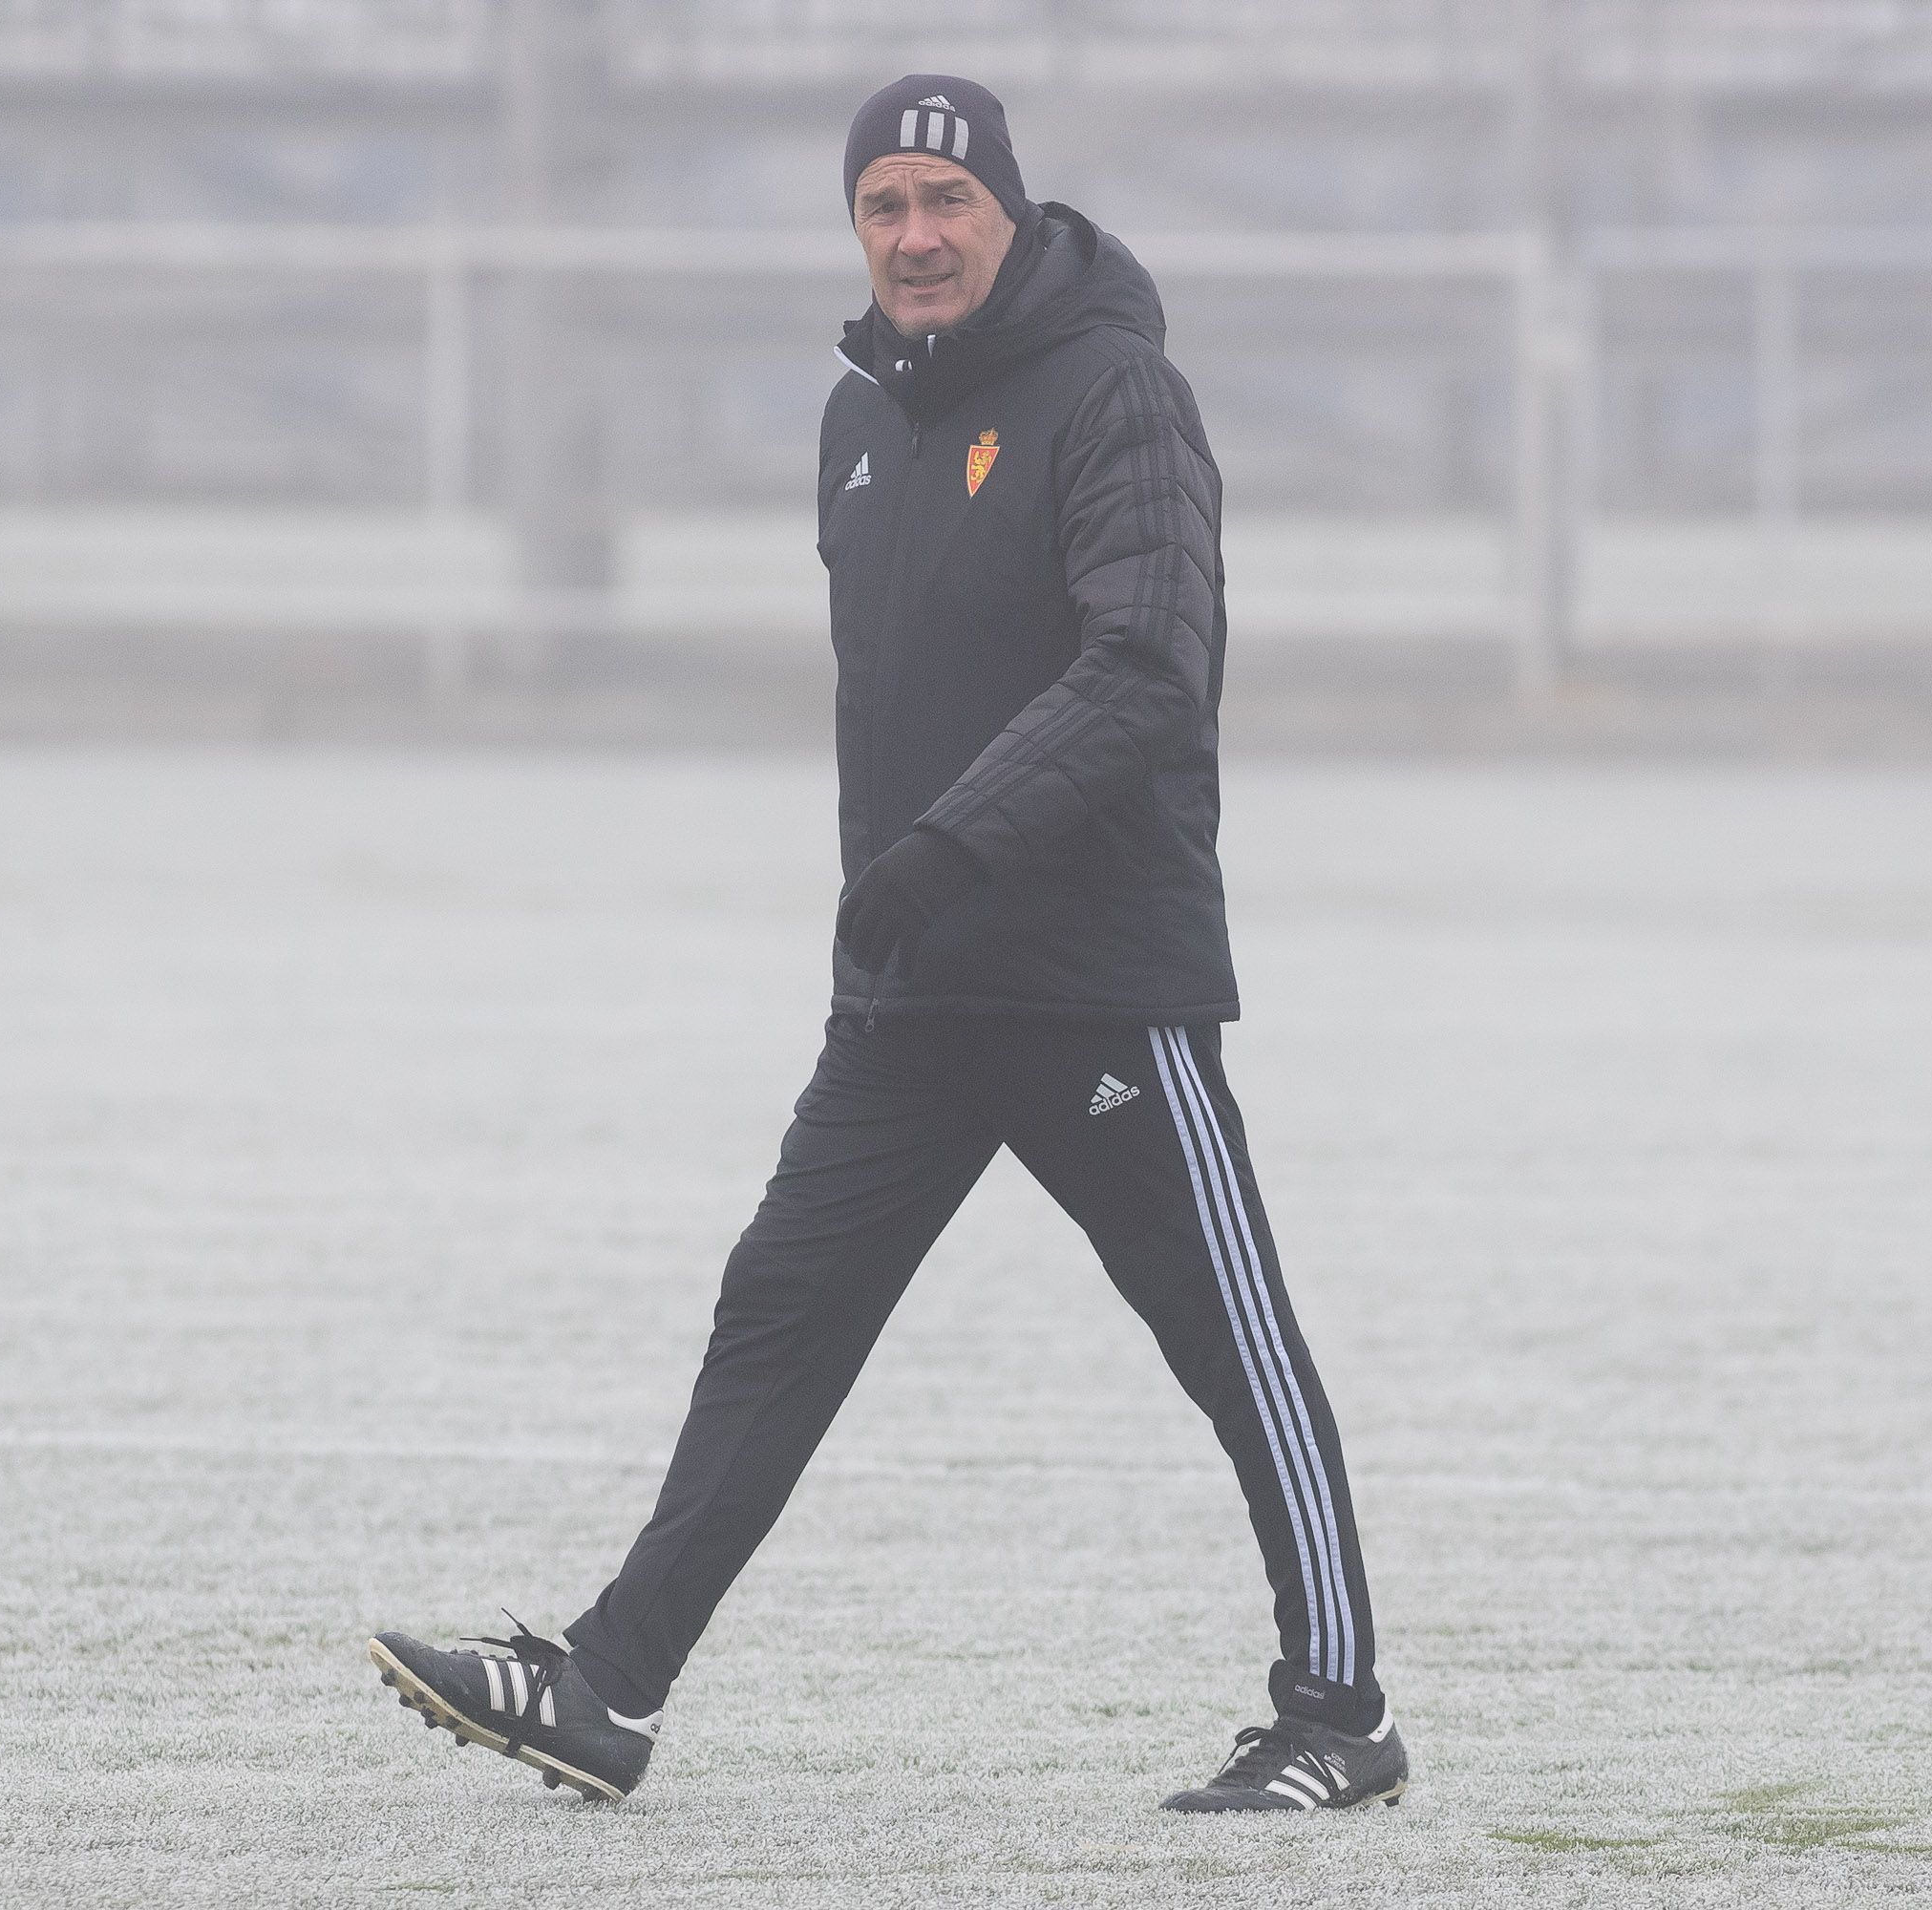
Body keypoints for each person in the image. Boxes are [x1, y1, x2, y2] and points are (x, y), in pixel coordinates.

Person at [367, 74, 1404, 1816]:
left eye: (947, 203)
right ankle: (605, 1687)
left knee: (1234, 1349)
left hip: (1097, 987)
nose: (915, 238)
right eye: (882, 209)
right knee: (780, 1309)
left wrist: (948, 848)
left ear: (1010, 211)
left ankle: (1343, 1718)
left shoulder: (1121, 395)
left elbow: (1149, 668)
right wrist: (897, 900)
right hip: (913, 989)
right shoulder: (861, 421)